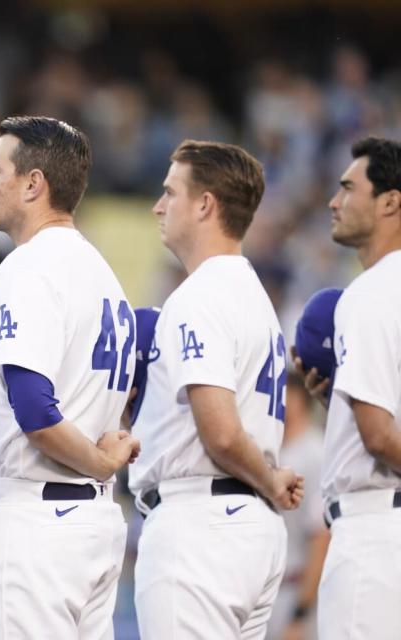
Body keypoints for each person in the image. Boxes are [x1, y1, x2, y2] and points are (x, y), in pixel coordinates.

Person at [0, 116, 139, 639]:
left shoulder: (30, 268)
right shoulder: (105, 277)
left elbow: (37, 412)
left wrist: (102, 463)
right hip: (90, 527)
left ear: (34, 183)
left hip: (34, 526)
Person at [129, 140, 304, 639]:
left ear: (205, 204)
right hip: (248, 528)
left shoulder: (200, 296)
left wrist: (269, 479)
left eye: (170, 192)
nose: (158, 205)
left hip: (202, 526)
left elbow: (222, 433)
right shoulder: (254, 295)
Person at [314, 137, 401, 639]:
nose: (334, 200)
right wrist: (337, 403)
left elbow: (380, 437)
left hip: (375, 537)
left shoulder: (370, 294)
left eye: (349, 188)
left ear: (391, 201)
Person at [267, 375, 329, 640]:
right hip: (262, 593)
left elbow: (321, 536)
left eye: (286, 394)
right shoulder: (264, 451)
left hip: (298, 588)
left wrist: (301, 611)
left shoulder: (316, 451)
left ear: (300, 399)